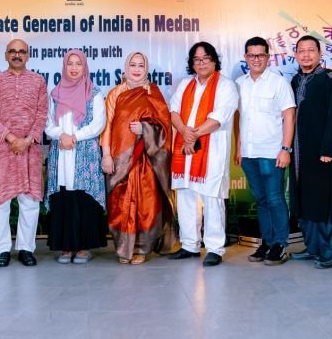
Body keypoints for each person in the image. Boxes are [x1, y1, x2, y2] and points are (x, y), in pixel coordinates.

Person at [101, 51, 175, 265]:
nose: (136, 69)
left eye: (140, 65)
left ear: (146, 68)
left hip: (147, 161)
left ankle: (142, 249)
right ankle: (124, 248)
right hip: (119, 160)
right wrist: (106, 155)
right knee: (120, 203)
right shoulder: (116, 93)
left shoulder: (154, 93)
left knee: (146, 204)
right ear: (126, 68)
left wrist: (144, 128)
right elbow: (107, 126)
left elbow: (165, 127)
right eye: (132, 64)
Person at [169, 42, 238, 267]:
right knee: (186, 195)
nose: (201, 63)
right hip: (184, 148)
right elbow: (174, 111)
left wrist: (192, 135)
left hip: (212, 150)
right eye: (197, 60)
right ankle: (189, 245)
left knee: (211, 197)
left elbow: (219, 117)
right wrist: (184, 133)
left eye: (206, 58)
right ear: (192, 63)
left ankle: (215, 248)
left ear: (214, 60)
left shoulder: (226, 86)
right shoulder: (186, 84)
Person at [0, 39, 48, 267]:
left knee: (29, 201)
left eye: (22, 52)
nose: (17, 55)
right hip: (2, 149)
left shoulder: (38, 81)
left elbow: (42, 114)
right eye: (13, 51)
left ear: (28, 55)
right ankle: (2, 250)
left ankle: (25, 248)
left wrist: (28, 139)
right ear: (5, 55)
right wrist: (11, 138)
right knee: (1, 201)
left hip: (29, 150)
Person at [236, 36, 296, 266]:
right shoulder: (239, 83)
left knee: (275, 198)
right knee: (261, 200)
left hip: (272, 152)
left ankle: (280, 244)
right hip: (248, 153)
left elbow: (289, 116)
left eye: (260, 55)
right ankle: (267, 242)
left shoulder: (278, 82)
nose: (256, 59)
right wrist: (239, 147)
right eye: (251, 55)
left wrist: (285, 149)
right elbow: (241, 119)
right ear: (246, 58)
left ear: (268, 57)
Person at [44, 50, 107, 263]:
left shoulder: (95, 93)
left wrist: (75, 137)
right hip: (61, 151)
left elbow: (98, 124)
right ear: (64, 66)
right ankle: (65, 247)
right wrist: (60, 135)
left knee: (83, 197)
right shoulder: (55, 94)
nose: (73, 67)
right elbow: (47, 123)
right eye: (69, 63)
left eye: (78, 64)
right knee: (64, 196)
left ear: (84, 67)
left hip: (84, 152)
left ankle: (83, 247)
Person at [289, 35, 332, 269]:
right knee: (305, 200)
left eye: (311, 50)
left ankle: (329, 251)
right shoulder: (294, 81)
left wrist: (328, 147)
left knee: (326, 201)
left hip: (323, 150)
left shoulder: (331, 79)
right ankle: (313, 247)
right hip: (299, 153)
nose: (306, 55)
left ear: (320, 54)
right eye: (301, 51)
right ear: (296, 55)